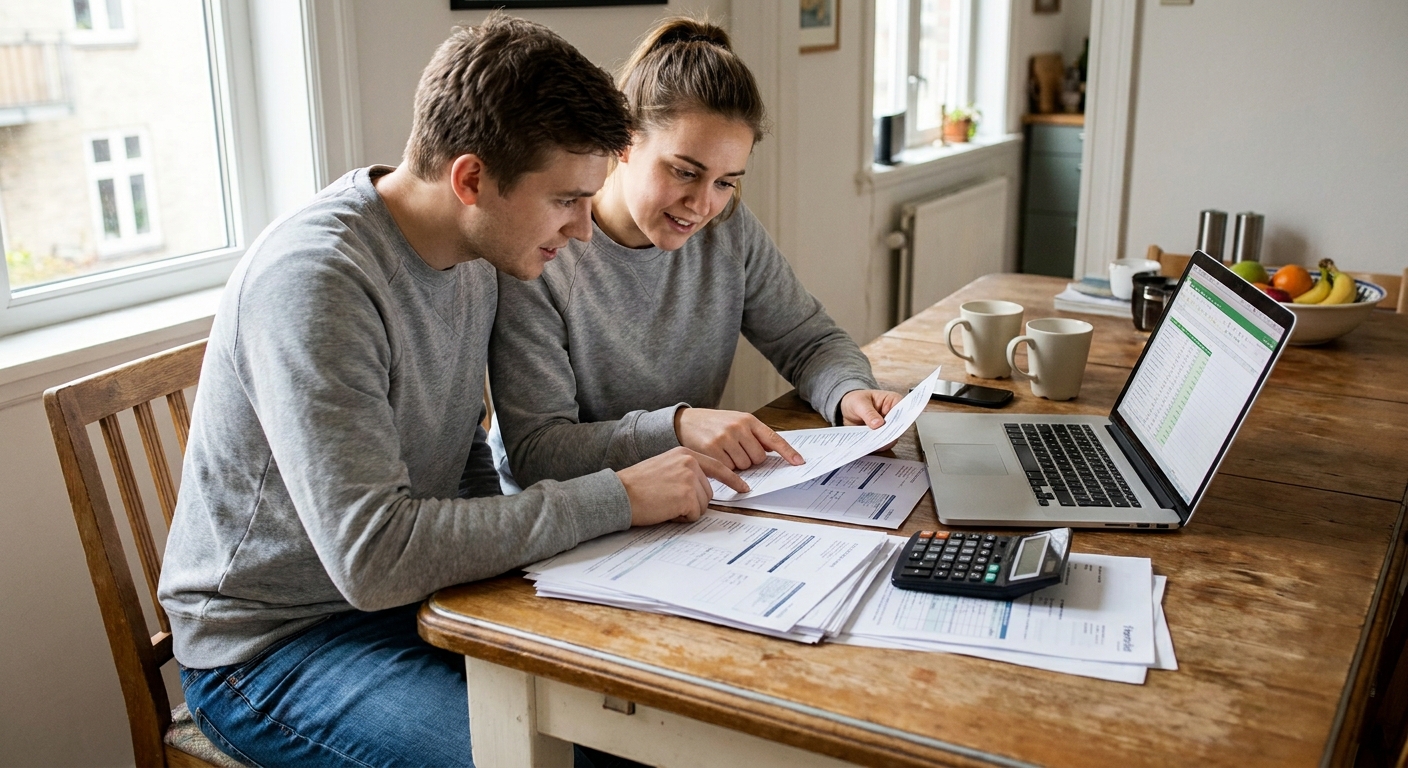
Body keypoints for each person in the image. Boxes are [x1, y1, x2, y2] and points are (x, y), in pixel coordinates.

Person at [157, 15, 745, 768]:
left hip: (416, 605)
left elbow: (459, 456)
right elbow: (373, 556)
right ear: (470, 179)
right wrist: (616, 498)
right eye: (566, 200)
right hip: (274, 649)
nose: (583, 231)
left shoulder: (475, 253)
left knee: (650, 725)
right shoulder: (316, 283)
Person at [490, 17, 903, 493]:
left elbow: (808, 340)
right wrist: (678, 428)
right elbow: (537, 453)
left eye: (726, 182)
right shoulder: (542, 249)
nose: (703, 205)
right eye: (685, 172)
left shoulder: (728, 231)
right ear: (624, 142)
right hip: (567, 520)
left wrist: (847, 391)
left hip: (684, 505)